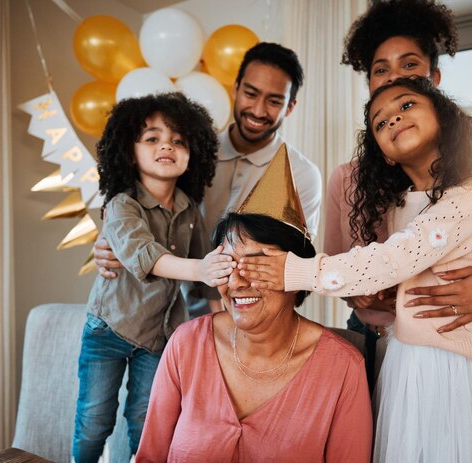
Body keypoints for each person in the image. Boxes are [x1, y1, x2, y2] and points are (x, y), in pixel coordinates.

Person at [238, 77, 472, 462]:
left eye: (406, 106)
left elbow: (391, 259)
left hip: (471, 366)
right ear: (385, 154)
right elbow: (405, 266)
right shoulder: (400, 204)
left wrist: (296, 271)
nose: (393, 119)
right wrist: (389, 292)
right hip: (414, 358)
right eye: (380, 122)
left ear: (442, 118)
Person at [325, 0, 472, 388]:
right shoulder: (345, 179)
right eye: (381, 70)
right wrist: (361, 295)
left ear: (434, 78)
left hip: (456, 340)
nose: (394, 77)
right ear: (369, 87)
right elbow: (338, 265)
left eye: (409, 65)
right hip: (374, 338)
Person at [93, 43, 323, 318]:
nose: (259, 110)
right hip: (170, 312)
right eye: (250, 93)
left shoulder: (302, 175)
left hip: (250, 313)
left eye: (274, 101)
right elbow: (143, 207)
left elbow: (294, 264)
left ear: (290, 107)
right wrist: (108, 243)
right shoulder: (187, 154)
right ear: (235, 89)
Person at [73, 93, 235, 462]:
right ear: (130, 152)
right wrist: (200, 267)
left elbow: (204, 280)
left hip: (159, 335)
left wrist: (220, 322)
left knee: (146, 418)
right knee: (94, 419)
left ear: (193, 155)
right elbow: (143, 254)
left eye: (179, 140)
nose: (167, 145)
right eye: (153, 138)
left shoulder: (189, 209)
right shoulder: (120, 205)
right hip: (109, 328)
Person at [136, 213, 372, 463]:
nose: (236, 282)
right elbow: (150, 457)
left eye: (257, 266)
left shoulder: (342, 367)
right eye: (227, 265)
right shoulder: (186, 344)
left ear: (295, 270)